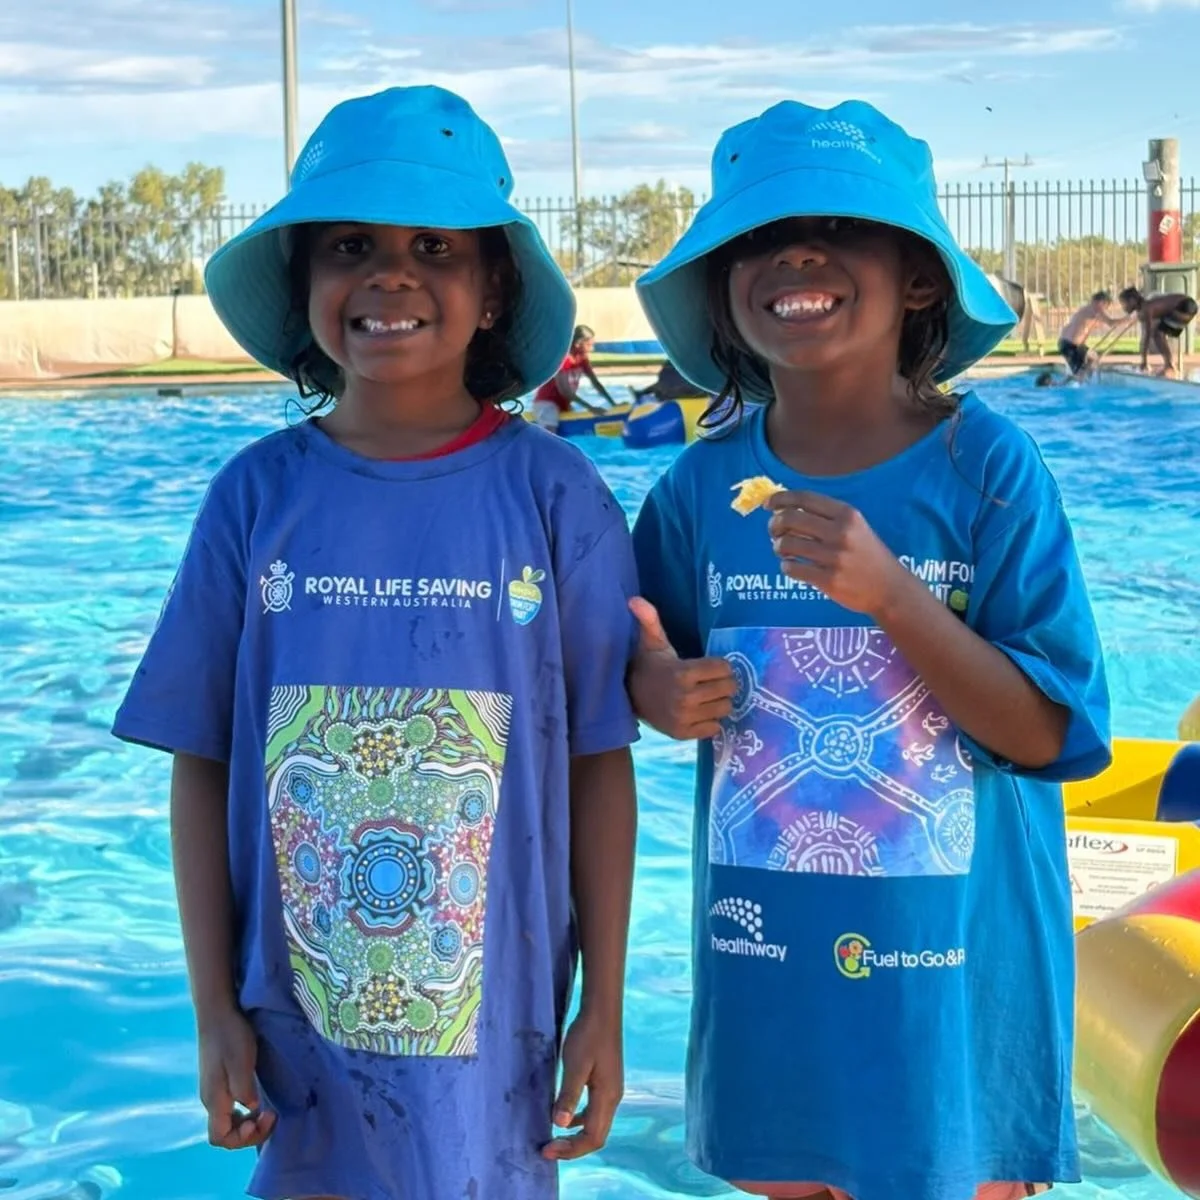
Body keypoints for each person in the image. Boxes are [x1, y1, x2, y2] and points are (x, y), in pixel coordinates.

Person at [110, 85, 640, 1200]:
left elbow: (598, 760)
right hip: (295, 1039)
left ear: (494, 291)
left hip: (497, 1047)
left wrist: (605, 1004)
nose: (391, 274)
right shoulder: (255, 499)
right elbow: (201, 764)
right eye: (352, 244)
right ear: (305, 281)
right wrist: (212, 1009)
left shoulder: (556, 496)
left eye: (435, 247)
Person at [627, 99, 1111, 1200]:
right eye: (755, 236)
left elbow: (1051, 734)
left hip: (953, 1003)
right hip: (772, 982)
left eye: (842, 226)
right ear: (722, 289)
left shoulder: (987, 468)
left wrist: (894, 596)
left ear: (922, 278)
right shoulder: (702, 487)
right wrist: (656, 687)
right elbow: (631, 647)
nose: (795, 251)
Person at [531, 323, 617, 429]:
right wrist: (591, 408)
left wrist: (614, 404)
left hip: (564, 405)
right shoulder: (563, 359)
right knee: (552, 434)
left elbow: (596, 383)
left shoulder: (582, 359)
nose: (592, 349)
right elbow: (565, 391)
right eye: (589, 345)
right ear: (578, 344)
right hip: (547, 403)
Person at [1119, 286, 1198, 377]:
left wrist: (1144, 361)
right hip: (1187, 305)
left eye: (1124, 304)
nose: (1123, 307)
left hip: (1185, 306)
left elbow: (1147, 337)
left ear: (1132, 301)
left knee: (1156, 334)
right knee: (1158, 333)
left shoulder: (1146, 308)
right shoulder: (1145, 308)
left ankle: (1169, 366)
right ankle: (1169, 365)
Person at [1057, 291, 1124, 378]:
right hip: (1070, 345)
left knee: (1092, 358)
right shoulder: (1096, 309)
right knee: (1079, 372)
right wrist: (1128, 319)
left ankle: (1087, 378)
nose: (1105, 309)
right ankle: (1081, 381)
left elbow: (1084, 331)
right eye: (1105, 305)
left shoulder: (1087, 310)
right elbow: (1111, 323)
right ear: (1101, 302)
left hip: (1069, 344)